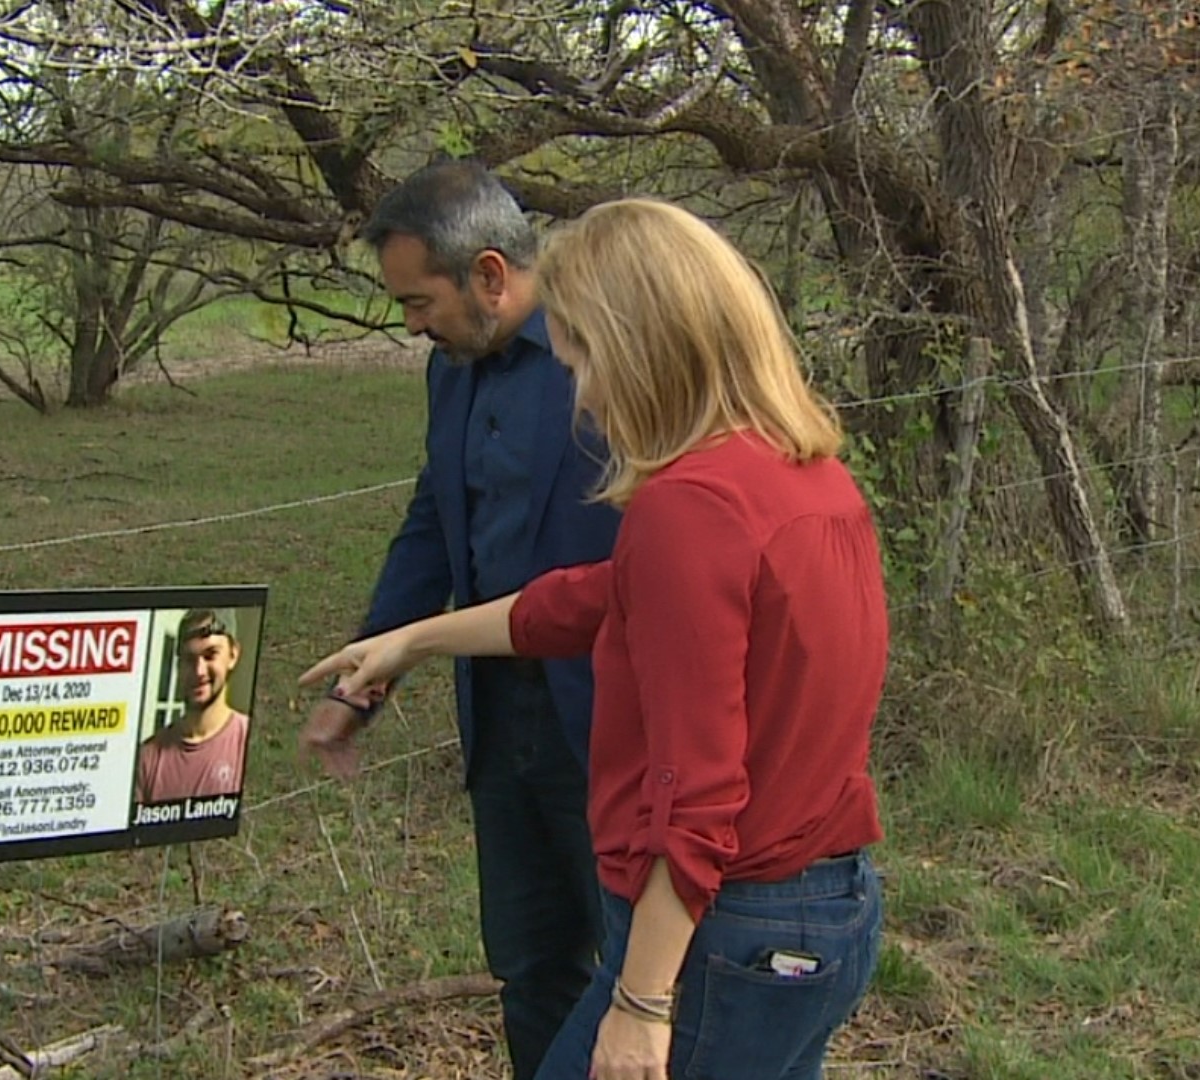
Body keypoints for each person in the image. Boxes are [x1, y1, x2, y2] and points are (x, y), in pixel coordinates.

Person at [301, 197, 888, 1080]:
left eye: (580, 357)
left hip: (723, 934)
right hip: (827, 911)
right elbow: (590, 599)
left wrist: (641, 1005)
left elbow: (694, 792)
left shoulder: (685, 508)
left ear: (638, 346)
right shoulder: (800, 471)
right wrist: (414, 640)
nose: (580, 389)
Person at [296, 159, 624, 1079]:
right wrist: (368, 680)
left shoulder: (611, 357)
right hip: (499, 717)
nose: (409, 325)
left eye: (418, 300)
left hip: (612, 721)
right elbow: (434, 523)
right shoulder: (455, 371)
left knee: (642, 972)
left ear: (489, 274)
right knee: (530, 965)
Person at [135, 609, 249, 801]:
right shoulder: (147, 757)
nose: (199, 671)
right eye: (189, 659)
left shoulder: (246, 741)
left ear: (233, 655)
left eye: (210, 655)